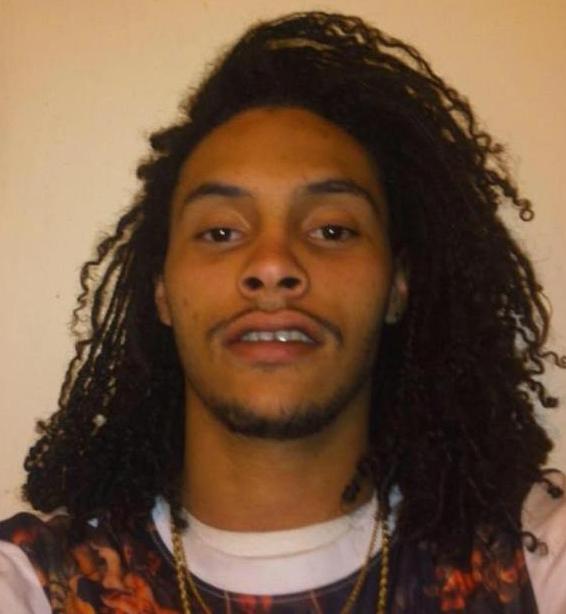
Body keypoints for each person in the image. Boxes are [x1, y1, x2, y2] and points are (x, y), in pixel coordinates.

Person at [1, 10, 565, 614]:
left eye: (331, 229)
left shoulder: (533, 555)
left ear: (398, 286)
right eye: (220, 232)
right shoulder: (42, 582)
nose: (272, 265)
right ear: (161, 289)